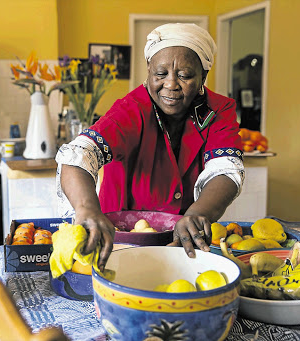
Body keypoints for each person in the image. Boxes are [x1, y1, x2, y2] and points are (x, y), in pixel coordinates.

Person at [55, 23, 245, 271]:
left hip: (180, 244)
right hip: (119, 243)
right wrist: (87, 209)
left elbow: (226, 170)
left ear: (203, 77)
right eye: (160, 74)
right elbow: (79, 156)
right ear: (148, 72)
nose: (171, 84)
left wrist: (199, 212)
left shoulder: (219, 110)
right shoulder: (131, 109)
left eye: (185, 75)